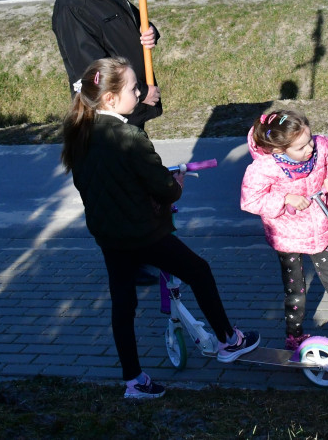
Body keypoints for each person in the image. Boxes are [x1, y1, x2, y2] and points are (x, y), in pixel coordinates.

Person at [61, 56, 260, 400]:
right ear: (110, 98)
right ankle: (229, 340)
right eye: (133, 88)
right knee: (199, 271)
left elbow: (92, 185)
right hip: (143, 232)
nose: (139, 93)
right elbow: (164, 188)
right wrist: (176, 183)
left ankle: (133, 380)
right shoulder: (130, 136)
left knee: (123, 304)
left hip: (108, 236)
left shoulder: (81, 133)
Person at [53, 0, 161, 285]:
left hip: (130, 106)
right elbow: (93, 75)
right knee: (119, 190)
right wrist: (138, 97)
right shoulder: (72, 7)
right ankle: (127, 267)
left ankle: (143, 251)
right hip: (109, 120)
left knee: (135, 185)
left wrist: (150, 32)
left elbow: (135, 25)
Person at [240, 111, 328, 362]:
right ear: (279, 150)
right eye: (301, 147)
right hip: (286, 235)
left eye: (309, 140)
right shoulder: (264, 168)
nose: (310, 148)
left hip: (319, 228)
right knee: (295, 289)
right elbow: (250, 201)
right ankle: (294, 336)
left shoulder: (321, 147)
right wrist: (285, 199)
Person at [52, 0, 162, 130]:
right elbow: (93, 69)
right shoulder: (72, 7)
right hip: (108, 116)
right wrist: (142, 92)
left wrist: (150, 32)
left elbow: (138, 22)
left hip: (128, 104)